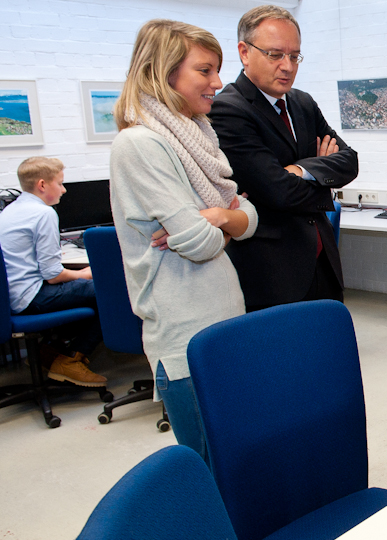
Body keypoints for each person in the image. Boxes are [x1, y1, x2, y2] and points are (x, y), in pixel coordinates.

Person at [110, 19, 258, 463]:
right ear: (163, 70)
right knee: (212, 468)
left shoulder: (199, 139)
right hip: (185, 339)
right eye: (205, 70)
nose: (217, 83)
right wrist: (222, 222)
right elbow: (201, 243)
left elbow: (247, 217)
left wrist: (219, 217)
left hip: (223, 323)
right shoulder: (139, 145)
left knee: (241, 462)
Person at [209, 5, 356, 309]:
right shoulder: (229, 109)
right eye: (275, 55)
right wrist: (321, 176)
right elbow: (279, 191)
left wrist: (301, 170)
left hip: (322, 259)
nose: (287, 66)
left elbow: (350, 161)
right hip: (272, 270)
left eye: (294, 55)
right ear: (244, 52)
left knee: (326, 351)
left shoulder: (301, 103)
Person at [0, 157, 106, 386]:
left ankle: (49, 352)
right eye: (60, 183)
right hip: (31, 295)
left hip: (12, 296)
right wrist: (86, 273)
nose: (64, 189)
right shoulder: (43, 213)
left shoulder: (11, 210)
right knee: (109, 291)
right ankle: (71, 359)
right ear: (42, 185)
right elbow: (53, 275)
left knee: (88, 292)